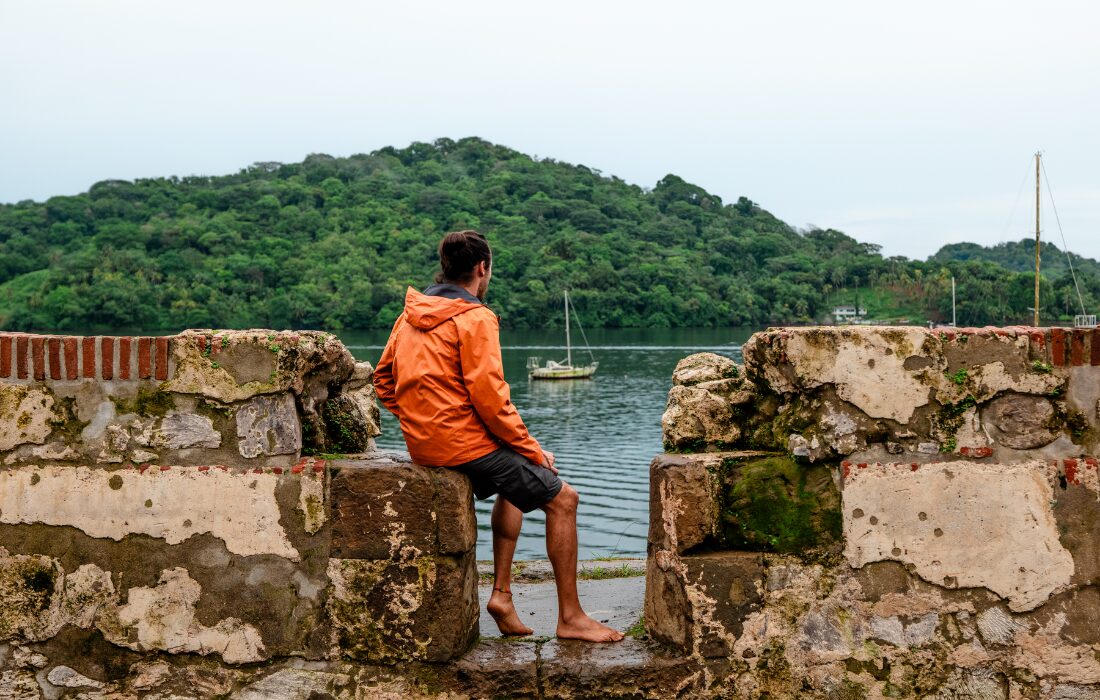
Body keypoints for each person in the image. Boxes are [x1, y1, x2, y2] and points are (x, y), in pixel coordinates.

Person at [373, 230, 623, 643]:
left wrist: (422, 418)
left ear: (446, 266)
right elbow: (490, 399)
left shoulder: (411, 314)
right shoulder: (475, 318)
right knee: (564, 499)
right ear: (482, 268)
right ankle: (571, 618)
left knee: (516, 472)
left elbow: (383, 380)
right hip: (462, 444)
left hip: (425, 443)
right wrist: (535, 450)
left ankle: (503, 596)